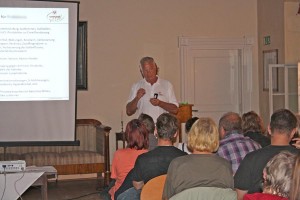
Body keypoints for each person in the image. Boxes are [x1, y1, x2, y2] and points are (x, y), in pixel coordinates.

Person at [117, 113, 187, 200]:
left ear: (156, 131)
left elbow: (137, 186)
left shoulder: (143, 159)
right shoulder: (185, 158)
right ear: (175, 134)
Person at [234, 108, 300, 200]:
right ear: (293, 132)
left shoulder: (251, 158)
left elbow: (239, 196)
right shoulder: (297, 158)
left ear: (269, 129)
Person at [162, 117, 234, 199]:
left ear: (191, 136)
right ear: (215, 138)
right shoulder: (225, 166)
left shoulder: (177, 165)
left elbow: (166, 198)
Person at [126, 56, 179, 121]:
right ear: (141, 71)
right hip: (143, 128)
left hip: (162, 128)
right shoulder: (136, 86)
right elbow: (128, 111)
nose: (148, 73)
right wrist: (137, 98)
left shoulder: (167, 85)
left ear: (156, 68)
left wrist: (160, 103)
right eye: (145, 70)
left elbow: (175, 110)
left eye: (151, 69)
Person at [108, 119, 149, 200]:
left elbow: (114, 177)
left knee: (110, 188)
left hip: (121, 194)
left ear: (127, 136)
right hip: (141, 195)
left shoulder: (118, 153)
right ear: (144, 136)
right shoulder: (147, 154)